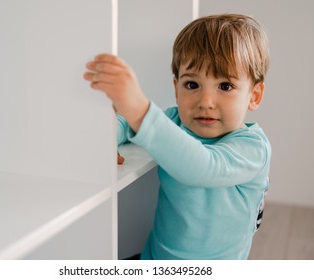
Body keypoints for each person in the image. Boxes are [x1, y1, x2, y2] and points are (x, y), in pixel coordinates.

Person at [84, 13, 271, 260]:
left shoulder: (252, 148)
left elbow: (202, 166)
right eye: (192, 85)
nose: (206, 102)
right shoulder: (175, 120)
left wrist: (139, 108)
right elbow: (127, 124)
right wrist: (106, 140)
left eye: (225, 86)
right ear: (176, 87)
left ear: (254, 95)